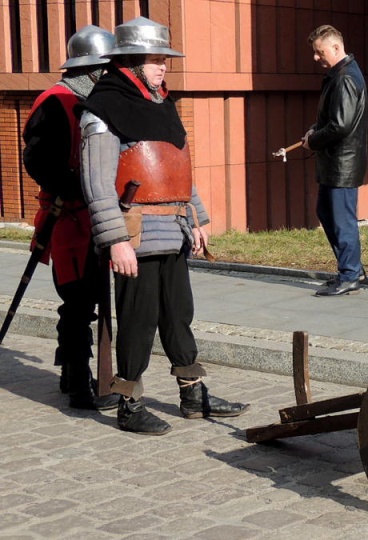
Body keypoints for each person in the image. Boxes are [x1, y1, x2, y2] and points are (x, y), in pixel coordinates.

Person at [77, 17, 247, 435]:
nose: (163, 67)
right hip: (135, 234)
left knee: (178, 314)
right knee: (137, 319)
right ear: (131, 62)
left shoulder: (163, 104)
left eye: (164, 59)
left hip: (173, 228)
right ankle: (130, 404)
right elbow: (96, 183)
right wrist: (115, 239)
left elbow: (178, 169)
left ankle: (193, 394)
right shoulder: (102, 109)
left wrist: (198, 218)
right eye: (156, 60)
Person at [21, 25, 120, 411]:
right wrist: (78, 186)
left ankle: (72, 374)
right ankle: (78, 379)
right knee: (77, 302)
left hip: (94, 215)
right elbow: (37, 160)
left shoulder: (97, 101)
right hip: (69, 218)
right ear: (92, 68)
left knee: (91, 297)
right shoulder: (55, 101)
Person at [302, 25, 368, 296]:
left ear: (335, 48)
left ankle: (350, 274)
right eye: (315, 53)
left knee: (341, 219)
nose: (316, 58)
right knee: (328, 213)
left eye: (319, 52)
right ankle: (351, 268)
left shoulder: (344, 78)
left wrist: (313, 139)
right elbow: (335, 120)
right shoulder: (342, 75)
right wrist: (313, 131)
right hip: (336, 163)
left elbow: (340, 126)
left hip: (342, 163)